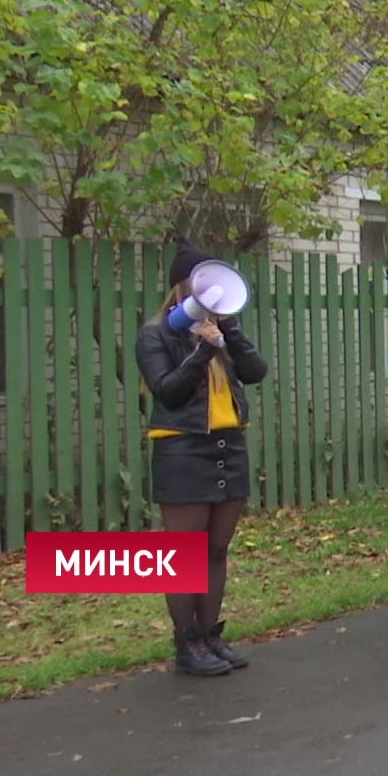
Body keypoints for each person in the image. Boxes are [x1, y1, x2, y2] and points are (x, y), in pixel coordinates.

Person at [135, 240, 269, 676]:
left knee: (216, 548)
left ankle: (211, 634)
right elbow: (168, 391)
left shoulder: (222, 332)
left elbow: (256, 371)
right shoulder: (155, 333)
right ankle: (186, 644)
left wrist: (229, 333)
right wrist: (203, 350)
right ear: (181, 288)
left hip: (227, 447)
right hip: (182, 448)